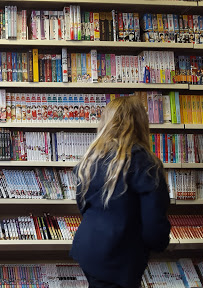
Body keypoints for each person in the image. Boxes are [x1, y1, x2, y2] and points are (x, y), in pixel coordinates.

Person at [71, 96, 171, 288]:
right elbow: (154, 224)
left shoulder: (92, 159)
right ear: (141, 123)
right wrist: (159, 244)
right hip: (120, 256)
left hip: (88, 247)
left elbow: (83, 206)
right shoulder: (146, 164)